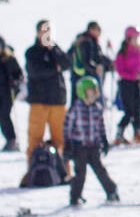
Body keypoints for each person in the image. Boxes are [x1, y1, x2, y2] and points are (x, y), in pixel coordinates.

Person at [63, 76, 119, 205]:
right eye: (90, 92)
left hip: (93, 146)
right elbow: (67, 127)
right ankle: (75, 196)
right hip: (79, 147)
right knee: (80, 174)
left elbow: (100, 125)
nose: (93, 95)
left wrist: (104, 140)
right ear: (82, 92)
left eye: (94, 91)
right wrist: (68, 144)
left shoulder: (97, 108)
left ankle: (111, 190)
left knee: (100, 170)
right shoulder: (75, 108)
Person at [25, 20, 72, 163]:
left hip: (57, 99)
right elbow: (35, 72)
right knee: (35, 139)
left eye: (49, 30)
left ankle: (63, 170)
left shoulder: (55, 49)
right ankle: (32, 172)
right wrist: (54, 69)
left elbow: (66, 64)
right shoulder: (32, 52)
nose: (47, 34)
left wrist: (52, 50)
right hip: (39, 100)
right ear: (38, 33)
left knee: (60, 139)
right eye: (44, 30)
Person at [113, 26, 140, 145]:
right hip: (126, 84)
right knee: (129, 111)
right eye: (134, 38)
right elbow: (120, 70)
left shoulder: (139, 51)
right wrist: (134, 76)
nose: (136, 40)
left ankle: (138, 134)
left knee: (138, 109)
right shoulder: (122, 52)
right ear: (128, 38)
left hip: (137, 84)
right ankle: (119, 134)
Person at [68, 21, 108, 94]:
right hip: (85, 77)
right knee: (86, 99)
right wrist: (95, 68)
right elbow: (87, 61)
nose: (100, 32)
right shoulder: (87, 42)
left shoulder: (81, 40)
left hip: (77, 75)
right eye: (98, 29)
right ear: (91, 29)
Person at [0, 36, 23, 151]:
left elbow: (19, 74)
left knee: (4, 115)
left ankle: (12, 140)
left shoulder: (9, 58)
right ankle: (11, 140)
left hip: (8, 92)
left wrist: (15, 81)